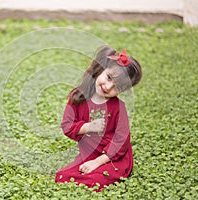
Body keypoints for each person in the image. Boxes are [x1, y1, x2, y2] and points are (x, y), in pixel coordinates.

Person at [55, 45, 142, 191]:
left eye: (117, 87)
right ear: (101, 68)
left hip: (112, 158)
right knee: (62, 177)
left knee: (96, 179)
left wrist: (98, 162)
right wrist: (88, 127)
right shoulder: (78, 97)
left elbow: (121, 140)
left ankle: (97, 172)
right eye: (109, 77)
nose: (108, 87)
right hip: (89, 153)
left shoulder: (118, 108)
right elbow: (67, 126)